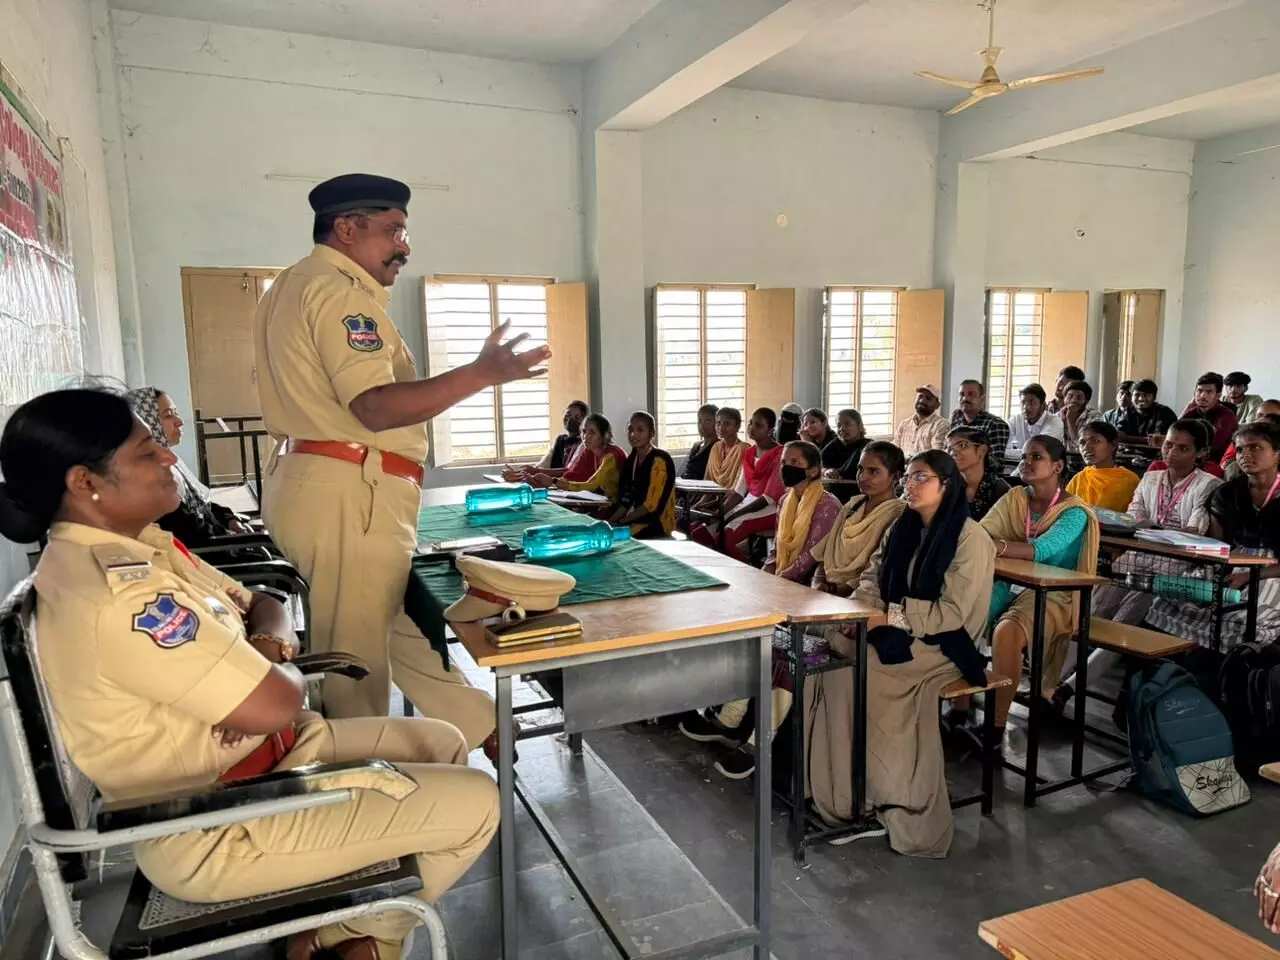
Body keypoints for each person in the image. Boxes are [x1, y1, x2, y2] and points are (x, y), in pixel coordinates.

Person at [0, 388, 499, 960]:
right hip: (218, 823)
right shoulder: (120, 597)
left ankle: (341, 928)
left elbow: (266, 601)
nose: (169, 459)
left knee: (442, 743)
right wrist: (267, 670)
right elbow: (275, 702)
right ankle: (364, 941)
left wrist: (264, 651)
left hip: (264, 759)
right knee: (478, 803)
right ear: (84, 482)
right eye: (146, 452)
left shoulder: (142, 548)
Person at [252, 173, 548, 735]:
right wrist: (482, 374)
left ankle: (486, 732)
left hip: (323, 483)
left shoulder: (290, 285)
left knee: (393, 627)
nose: (404, 247)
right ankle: (368, 787)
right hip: (350, 490)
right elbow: (376, 407)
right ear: (346, 228)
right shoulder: (340, 293)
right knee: (355, 661)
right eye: (393, 231)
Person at [830, 449, 995, 856]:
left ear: (947, 485)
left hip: (944, 644)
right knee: (830, 656)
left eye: (922, 478)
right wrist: (858, 610)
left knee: (875, 674)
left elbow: (952, 614)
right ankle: (844, 796)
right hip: (897, 628)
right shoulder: (902, 526)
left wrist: (889, 617)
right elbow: (873, 579)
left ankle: (895, 803)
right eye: (909, 477)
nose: (911, 485)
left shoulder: (970, 538)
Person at [684, 440, 843, 779]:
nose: (787, 466)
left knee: (773, 647)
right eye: (785, 461)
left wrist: (778, 583)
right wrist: (765, 576)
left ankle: (758, 742)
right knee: (743, 632)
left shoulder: (827, 505)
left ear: (813, 469)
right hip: (785, 585)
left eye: (796, 462)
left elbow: (812, 557)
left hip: (812, 592)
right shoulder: (787, 499)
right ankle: (729, 719)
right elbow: (777, 550)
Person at [1053, 420, 1223, 708]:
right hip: (1137, 555)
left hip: (1175, 565)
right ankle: (1051, 681)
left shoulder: (1209, 485)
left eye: (1183, 448)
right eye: (1168, 445)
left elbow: (1196, 529)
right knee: (1091, 615)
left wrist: (1151, 526)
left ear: (1201, 452)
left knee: (1124, 624)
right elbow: (1132, 517)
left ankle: (1066, 690)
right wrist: (1151, 527)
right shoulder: (1151, 478)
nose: (1171, 453)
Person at [982, 437, 1100, 753]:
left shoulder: (1074, 511)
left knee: (1007, 633)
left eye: (1037, 456)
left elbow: (1043, 550)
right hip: (1009, 582)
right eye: (1024, 456)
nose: (1026, 461)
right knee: (963, 616)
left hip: (1055, 593)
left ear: (1058, 466)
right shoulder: (1015, 498)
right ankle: (961, 707)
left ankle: (994, 726)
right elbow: (983, 531)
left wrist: (999, 547)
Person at [1146, 418, 1280, 650]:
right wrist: (1223, 571)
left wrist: (1250, 576)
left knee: (1244, 616)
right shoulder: (1227, 494)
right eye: (1240, 449)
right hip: (1230, 562)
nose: (1245, 454)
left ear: (1277, 453)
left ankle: (1223, 670)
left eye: (1255, 447)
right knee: (1168, 599)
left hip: (1273, 570)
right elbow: (1218, 544)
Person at [125, 386, 255, 554]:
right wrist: (233, 537)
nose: (179, 422)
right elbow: (192, 534)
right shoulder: (152, 481)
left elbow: (202, 506)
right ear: (147, 423)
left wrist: (229, 519)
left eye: (176, 413)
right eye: (168, 415)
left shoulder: (173, 463)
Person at [690, 408, 785, 562]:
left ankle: (753, 574)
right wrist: (721, 511)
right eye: (751, 423)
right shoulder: (749, 453)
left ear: (771, 430)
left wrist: (735, 514)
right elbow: (739, 492)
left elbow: (768, 498)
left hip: (771, 508)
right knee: (702, 532)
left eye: (759, 425)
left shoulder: (780, 454)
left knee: (725, 538)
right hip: (748, 503)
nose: (752, 428)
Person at [607, 412, 677, 539]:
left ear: (652, 433)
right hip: (636, 520)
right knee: (605, 532)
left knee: (616, 537)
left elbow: (651, 505)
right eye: (630, 430)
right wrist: (610, 522)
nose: (633, 434)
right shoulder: (631, 461)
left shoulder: (660, 460)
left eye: (640, 430)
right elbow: (626, 500)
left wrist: (623, 521)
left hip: (656, 523)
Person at [1066, 420, 1140, 513]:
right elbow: (1065, 512)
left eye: (1095, 441)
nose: (1086, 447)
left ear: (1113, 445)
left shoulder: (1129, 480)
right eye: (1082, 443)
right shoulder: (1079, 479)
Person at [550, 414, 627, 499]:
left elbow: (591, 485)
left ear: (604, 435)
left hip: (617, 505)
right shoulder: (589, 451)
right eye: (584, 431)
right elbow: (573, 475)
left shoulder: (611, 455)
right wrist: (550, 483)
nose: (586, 436)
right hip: (598, 501)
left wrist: (554, 481)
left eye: (592, 432)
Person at [947, 426, 1010, 521]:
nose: (953, 453)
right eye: (950, 448)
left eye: (962, 445)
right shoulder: (947, 486)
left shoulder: (1001, 491)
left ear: (982, 450)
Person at [514, 400, 587, 479]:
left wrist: (536, 471)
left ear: (584, 421)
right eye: (568, 415)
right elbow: (543, 464)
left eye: (577, 417)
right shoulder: (560, 440)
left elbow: (570, 470)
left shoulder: (584, 443)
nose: (570, 419)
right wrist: (517, 474)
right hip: (554, 486)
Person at [947, 380, 1010, 469]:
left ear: (982, 399)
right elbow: (947, 450)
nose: (965, 398)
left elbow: (996, 463)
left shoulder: (995, 424)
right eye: (962, 394)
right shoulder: (955, 418)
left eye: (971, 394)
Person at [1182, 372, 1239, 462]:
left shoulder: (1227, 415)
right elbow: (1177, 434)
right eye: (1199, 391)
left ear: (1218, 395)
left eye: (1209, 392)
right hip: (1188, 457)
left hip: (1215, 462)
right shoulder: (1191, 413)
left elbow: (1215, 446)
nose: (1202, 395)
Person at [1222, 401, 1280, 478]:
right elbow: (1225, 463)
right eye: (1259, 416)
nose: (1263, 420)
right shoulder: (1243, 439)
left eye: (1271, 417)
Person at [1117, 378, 1178, 447]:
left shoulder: (1165, 413)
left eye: (1146, 395)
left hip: (1155, 454)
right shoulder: (1128, 411)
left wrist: (1128, 438)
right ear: (1132, 397)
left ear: (1154, 397)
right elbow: (1119, 435)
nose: (1141, 399)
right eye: (1137, 395)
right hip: (1129, 452)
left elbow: (1156, 441)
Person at [1007, 383, 1064, 457]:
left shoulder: (1054, 422)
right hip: (1018, 465)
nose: (1026, 407)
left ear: (1043, 406)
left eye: (1032, 402)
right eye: (1023, 402)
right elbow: (1001, 447)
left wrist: (1012, 453)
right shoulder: (1015, 420)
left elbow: (1038, 452)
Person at [1058, 380, 1103, 473]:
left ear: (1086, 400)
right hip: (1062, 465)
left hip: (1086, 465)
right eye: (1070, 396)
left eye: (1079, 397)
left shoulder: (1094, 416)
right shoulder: (1057, 416)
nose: (1073, 400)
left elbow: (1081, 445)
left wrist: (1070, 419)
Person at [893, 384, 949, 458]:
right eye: (920, 396)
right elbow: (894, 450)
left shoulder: (941, 425)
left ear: (937, 405)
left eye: (928, 398)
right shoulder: (904, 424)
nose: (922, 400)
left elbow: (936, 456)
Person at [680, 403, 719, 480]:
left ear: (717, 423)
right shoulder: (697, 445)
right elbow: (685, 470)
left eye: (708, 421)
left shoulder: (718, 446)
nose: (702, 425)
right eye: (700, 421)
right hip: (686, 485)